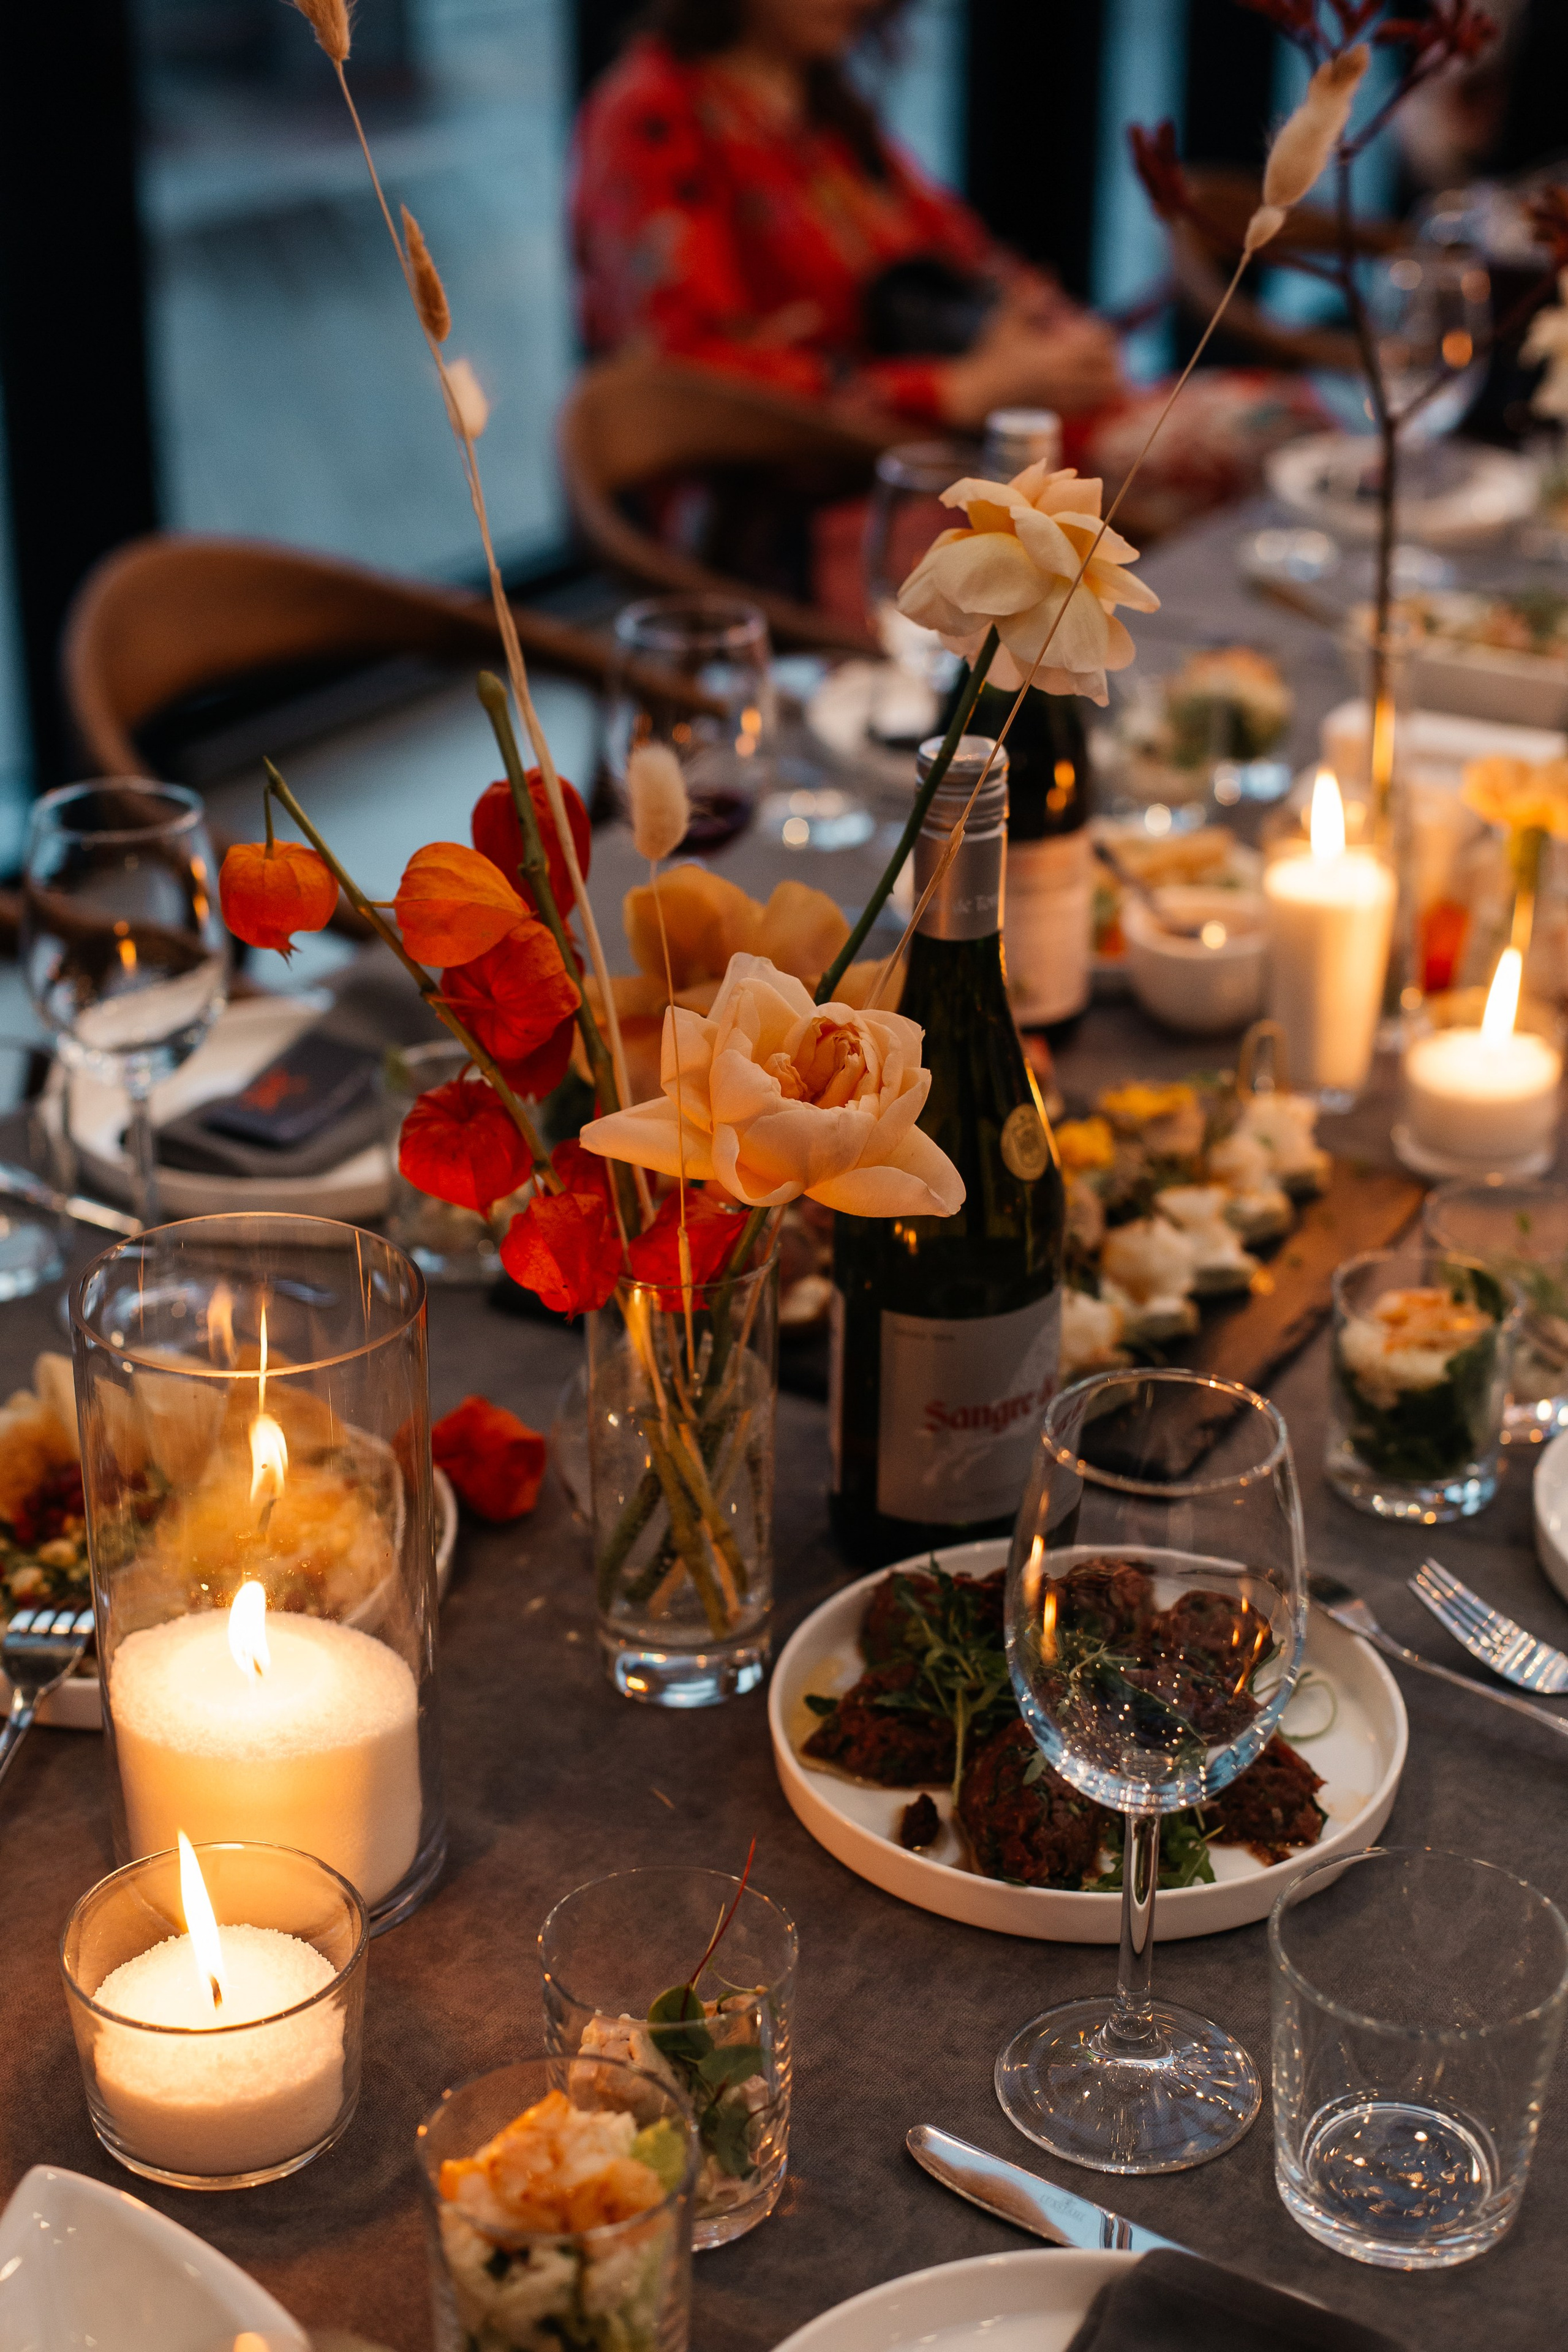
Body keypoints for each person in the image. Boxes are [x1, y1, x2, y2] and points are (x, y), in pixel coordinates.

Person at [570, 0, 1127, 432]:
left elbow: (963, 251)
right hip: (783, 481)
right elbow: (682, 370)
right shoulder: (654, 113)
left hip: (911, 442)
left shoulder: (824, 108)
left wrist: (1051, 333)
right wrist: (954, 390)